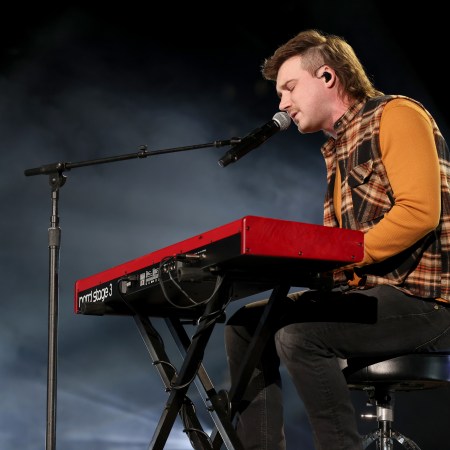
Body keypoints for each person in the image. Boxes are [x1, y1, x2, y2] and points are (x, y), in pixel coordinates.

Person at [224, 29, 450, 450]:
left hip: (423, 303)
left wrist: (342, 256)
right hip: (369, 296)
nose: (282, 104)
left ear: (327, 77)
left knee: (300, 337)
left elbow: (420, 212)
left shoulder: (396, 114)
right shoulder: (338, 147)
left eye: (289, 88)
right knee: (245, 325)